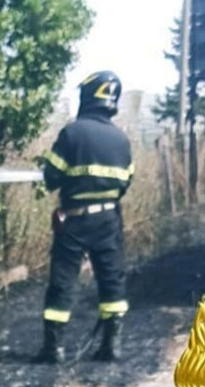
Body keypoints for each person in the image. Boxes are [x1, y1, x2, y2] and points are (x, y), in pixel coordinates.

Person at [32, 70, 133, 364]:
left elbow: (51, 177)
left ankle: (54, 349)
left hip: (74, 221)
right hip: (108, 220)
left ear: (89, 96)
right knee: (111, 280)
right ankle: (111, 345)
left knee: (63, 280)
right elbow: (125, 182)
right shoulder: (121, 140)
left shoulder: (72, 133)